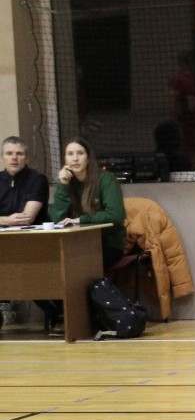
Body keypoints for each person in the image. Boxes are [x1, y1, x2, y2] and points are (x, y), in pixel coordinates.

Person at [0, 136, 59, 330]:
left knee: (26, 271)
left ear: (26, 158)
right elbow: (12, 220)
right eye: (9, 153)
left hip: (34, 242)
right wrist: (6, 220)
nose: (14, 158)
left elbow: (26, 218)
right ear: (2, 158)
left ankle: (58, 312)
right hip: (4, 243)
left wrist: (4, 220)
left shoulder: (37, 180)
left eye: (19, 154)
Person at [50, 136, 127, 270]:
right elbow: (57, 219)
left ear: (88, 158)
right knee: (50, 261)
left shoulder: (106, 179)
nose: (75, 158)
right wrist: (63, 185)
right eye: (70, 154)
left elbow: (116, 215)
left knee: (75, 266)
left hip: (107, 244)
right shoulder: (67, 182)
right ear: (65, 159)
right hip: (76, 243)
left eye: (80, 153)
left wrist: (81, 220)